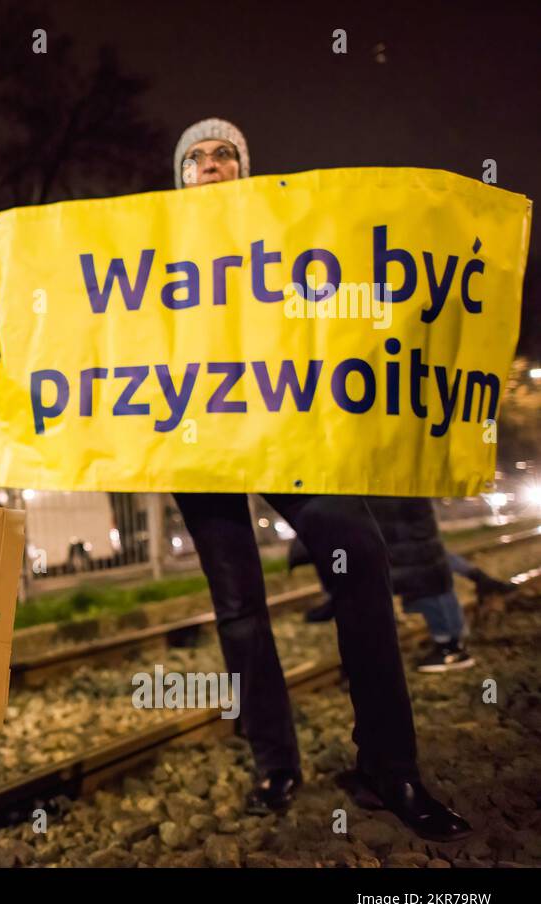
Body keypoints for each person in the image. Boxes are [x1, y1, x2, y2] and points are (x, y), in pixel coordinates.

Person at [169, 119, 471, 841]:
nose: (211, 164)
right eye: (197, 157)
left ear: (244, 169)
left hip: (283, 430)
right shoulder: (153, 251)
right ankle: (275, 761)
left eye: (225, 154)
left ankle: (389, 765)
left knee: (362, 558)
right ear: (180, 176)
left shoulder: (287, 234)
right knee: (238, 603)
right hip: (194, 438)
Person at [290, 497, 482, 671]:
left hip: (391, 507)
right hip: (396, 506)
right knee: (424, 571)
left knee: (422, 574)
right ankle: (449, 645)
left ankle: (450, 647)